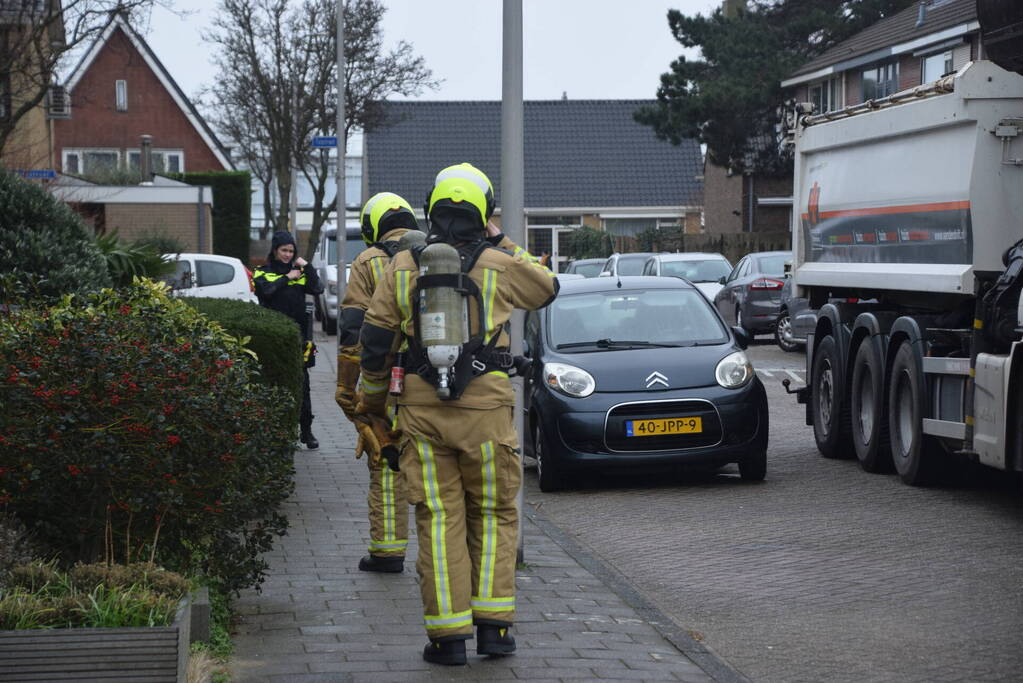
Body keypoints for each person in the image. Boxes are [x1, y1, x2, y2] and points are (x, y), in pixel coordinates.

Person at [358, 163, 558, 665]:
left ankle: (447, 640)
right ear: (484, 211)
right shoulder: (499, 262)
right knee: (493, 513)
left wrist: (374, 405)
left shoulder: (401, 265)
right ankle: (495, 631)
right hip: (488, 410)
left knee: (437, 518)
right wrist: (504, 239)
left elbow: (376, 341)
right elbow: (548, 288)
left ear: (431, 208)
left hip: (421, 413)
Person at [335, 192, 420, 574]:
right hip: (434, 380)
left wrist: (346, 389)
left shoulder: (368, 261)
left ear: (371, 227)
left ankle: (387, 552)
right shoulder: (436, 254)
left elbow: (353, 329)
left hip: (384, 379)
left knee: (386, 458)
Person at [253, 230, 323, 449]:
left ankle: (306, 431)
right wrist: (287, 278)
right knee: (276, 384)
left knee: (303, 385)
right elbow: (266, 292)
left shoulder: (300, 272)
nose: (287, 254)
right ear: (275, 250)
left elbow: (318, 288)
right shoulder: (262, 272)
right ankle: (279, 432)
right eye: (284, 250)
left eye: (291, 251)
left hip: (299, 338)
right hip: (274, 337)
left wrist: (307, 266)